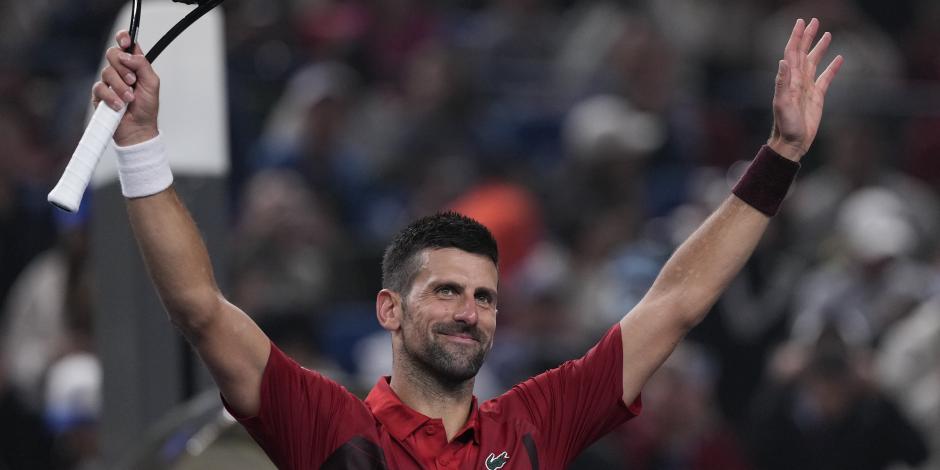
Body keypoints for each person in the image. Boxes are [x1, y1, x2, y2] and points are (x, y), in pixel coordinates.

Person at [91, 18, 841, 469]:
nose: (469, 311)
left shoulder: (535, 424)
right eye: (446, 290)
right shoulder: (331, 427)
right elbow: (198, 307)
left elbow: (675, 303)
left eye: (484, 296)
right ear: (388, 309)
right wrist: (139, 144)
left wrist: (778, 157)